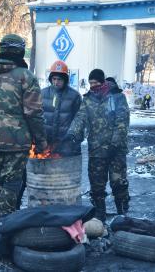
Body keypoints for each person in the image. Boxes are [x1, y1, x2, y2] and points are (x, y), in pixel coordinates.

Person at [0, 34, 47, 218]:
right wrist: (41, 140)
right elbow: (33, 113)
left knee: (0, 178)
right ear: (20, 50)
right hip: (18, 141)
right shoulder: (26, 77)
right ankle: (6, 220)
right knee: (12, 182)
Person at [66, 69, 130, 222]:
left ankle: (122, 210)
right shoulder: (87, 100)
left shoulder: (117, 97)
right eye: (90, 83)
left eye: (95, 82)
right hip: (96, 148)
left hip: (116, 149)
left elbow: (122, 121)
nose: (93, 86)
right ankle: (100, 213)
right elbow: (80, 118)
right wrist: (72, 133)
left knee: (118, 182)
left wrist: (115, 142)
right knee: (97, 183)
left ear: (102, 81)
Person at [41, 60, 81, 156]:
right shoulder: (42, 93)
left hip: (66, 143)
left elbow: (79, 119)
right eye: (54, 79)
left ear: (65, 80)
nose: (56, 82)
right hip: (47, 142)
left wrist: (74, 137)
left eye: (59, 79)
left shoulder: (74, 96)